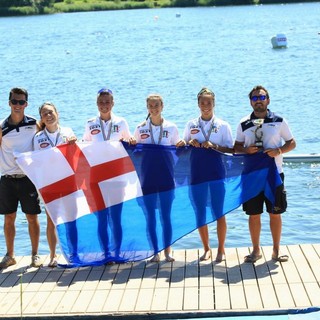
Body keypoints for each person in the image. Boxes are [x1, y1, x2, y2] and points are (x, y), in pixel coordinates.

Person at [234, 85, 296, 263]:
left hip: (274, 173)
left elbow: (292, 143)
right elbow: (236, 147)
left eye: (261, 97)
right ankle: (256, 251)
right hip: (252, 175)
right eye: (254, 98)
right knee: (254, 214)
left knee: (275, 213)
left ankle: (276, 250)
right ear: (250, 102)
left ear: (268, 100)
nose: (258, 101)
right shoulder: (243, 123)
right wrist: (246, 149)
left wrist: (279, 150)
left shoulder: (279, 120)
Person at [132, 93, 185, 262]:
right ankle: (155, 251)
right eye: (151, 106)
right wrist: (132, 144)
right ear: (147, 108)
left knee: (165, 215)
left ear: (162, 107)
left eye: (157, 105)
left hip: (167, 177)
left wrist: (182, 143)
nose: (154, 109)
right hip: (147, 178)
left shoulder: (172, 127)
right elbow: (135, 152)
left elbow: (178, 147)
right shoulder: (140, 128)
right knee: (150, 216)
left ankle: (168, 251)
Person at [183, 87, 234, 262]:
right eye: (202, 102)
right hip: (196, 173)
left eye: (209, 102)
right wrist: (189, 142)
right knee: (199, 212)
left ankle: (221, 249)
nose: (206, 105)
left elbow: (231, 150)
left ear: (214, 104)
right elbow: (183, 147)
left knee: (219, 212)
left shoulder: (223, 125)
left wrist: (214, 146)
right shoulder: (191, 124)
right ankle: (206, 249)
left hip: (217, 173)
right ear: (198, 104)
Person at [83, 87, 132, 261]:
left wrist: (131, 141)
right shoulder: (90, 123)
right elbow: (84, 148)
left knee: (116, 218)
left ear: (113, 103)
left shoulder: (122, 122)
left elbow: (130, 144)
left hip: (117, 178)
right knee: (102, 218)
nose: (104, 105)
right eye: (101, 102)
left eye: (107, 102)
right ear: (97, 104)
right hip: (96, 178)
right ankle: (105, 253)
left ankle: (117, 252)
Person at [0, 87, 42, 269]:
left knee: (32, 217)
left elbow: (46, 141)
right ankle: (10, 255)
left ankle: (35, 254)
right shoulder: (2, 127)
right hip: (8, 179)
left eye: (21, 102)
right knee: (9, 218)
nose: (18, 105)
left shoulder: (34, 123)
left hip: (28, 178)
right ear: (9, 103)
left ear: (26, 104)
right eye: (14, 101)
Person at [33, 102, 77, 267]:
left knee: (71, 218)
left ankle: (73, 253)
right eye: (44, 114)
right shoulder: (38, 138)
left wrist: (74, 142)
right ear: (42, 119)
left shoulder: (68, 132)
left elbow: (76, 155)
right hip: (48, 183)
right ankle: (53, 255)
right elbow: (35, 162)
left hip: (67, 181)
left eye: (50, 112)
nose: (48, 115)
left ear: (57, 113)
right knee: (51, 220)